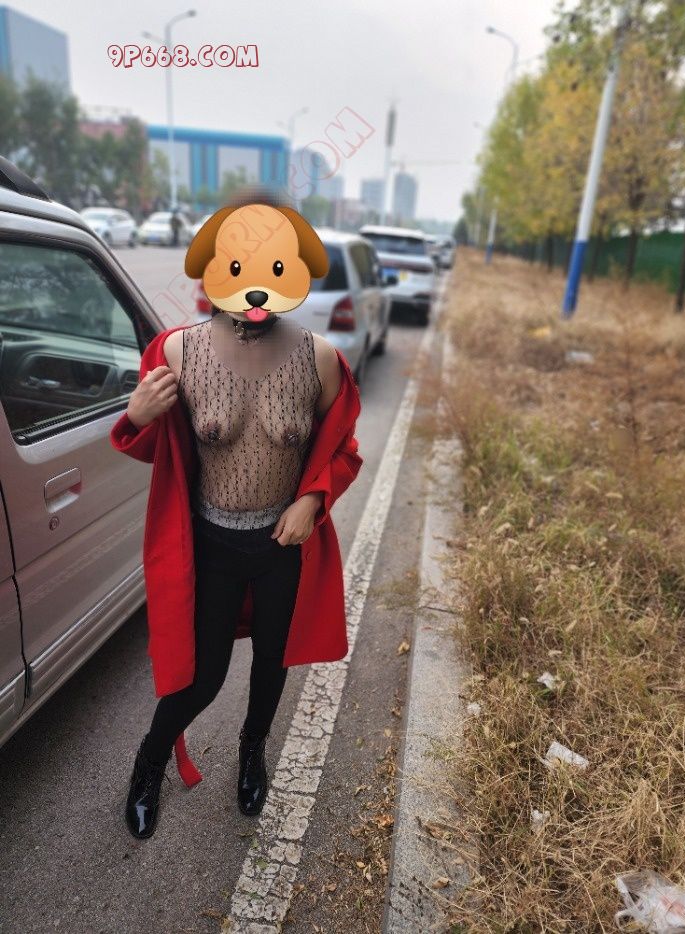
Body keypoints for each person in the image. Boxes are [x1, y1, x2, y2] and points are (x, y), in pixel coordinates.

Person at [116, 192, 362, 839]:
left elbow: (343, 450)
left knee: (273, 663)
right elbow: (153, 446)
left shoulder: (320, 360)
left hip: (282, 547)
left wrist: (313, 499)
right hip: (210, 546)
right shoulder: (177, 354)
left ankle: (253, 752)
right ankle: (149, 762)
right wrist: (137, 415)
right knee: (202, 677)